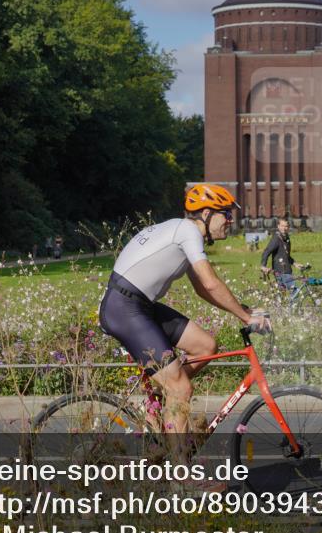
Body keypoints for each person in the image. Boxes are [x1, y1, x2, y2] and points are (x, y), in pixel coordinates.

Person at [98, 184, 271, 463]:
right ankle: (181, 476)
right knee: (180, 388)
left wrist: (243, 309)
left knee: (205, 346)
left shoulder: (183, 233)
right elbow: (212, 283)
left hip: (140, 306)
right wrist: (247, 318)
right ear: (205, 213)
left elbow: (203, 288)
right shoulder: (188, 232)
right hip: (124, 308)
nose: (230, 220)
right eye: (225, 214)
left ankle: (159, 405)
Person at [260, 218, 305, 289]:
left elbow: (286, 255)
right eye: (282, 226)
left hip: (286, 270)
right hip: (281, 271)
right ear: (278, 226)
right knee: (295, 291)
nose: (284, 228)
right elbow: (267, 251)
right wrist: (263, 266)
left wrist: (295, 263)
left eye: (286, 226)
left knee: (282, 295)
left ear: (288, 227)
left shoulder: (286, 238)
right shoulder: (276, 238)